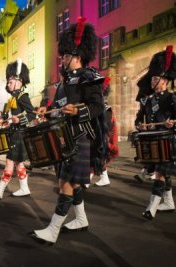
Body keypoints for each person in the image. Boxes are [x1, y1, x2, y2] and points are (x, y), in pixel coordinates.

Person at [29, 17, 104, 245]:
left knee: (66, 183)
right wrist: (47, 109)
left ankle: (53, 230)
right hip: (63, 137)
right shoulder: (63, 83)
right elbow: (59, 106)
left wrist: (77, 110)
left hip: (80, 137)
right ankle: (81, 219)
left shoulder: (89, 77)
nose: (61, 59)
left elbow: (97, 106)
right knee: (74, 183)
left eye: (65, 55)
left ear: (76, 56)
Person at [135, 45, 176, 220]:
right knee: (162, 172)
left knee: (160, 173)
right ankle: (169, 202)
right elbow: (138, 119)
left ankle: (151, 208)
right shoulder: (147, 100)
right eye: (152, 78)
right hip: (152, 141)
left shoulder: (175, 98)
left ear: (165, 81)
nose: (152, 81)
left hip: (169, 141)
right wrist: (140, 126)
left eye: (156, 78)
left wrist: (172, 123)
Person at [0, 60, 36, 199]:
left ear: (19, 81)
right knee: (18, 163)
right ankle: (24, 188)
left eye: (10, 81)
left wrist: (20, 119)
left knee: (9, 161)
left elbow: (32, 114)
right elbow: (6, 116)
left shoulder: (22, 97)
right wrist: (0, 121)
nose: (8, 83)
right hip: (13, 133)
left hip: (19, 135)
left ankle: (0, 190)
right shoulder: (11, 99)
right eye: (8, 81)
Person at [90, 77, 119, 187]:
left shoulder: (106, 109)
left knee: (97, 155)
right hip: (97, 136)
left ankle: (88, 179)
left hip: (102, 137)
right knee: (95, 156)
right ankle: (104, 177)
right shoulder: (100, 108)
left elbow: (105, 126)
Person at [133, 73, 156, 183]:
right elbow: (139, 117)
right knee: (148, 154)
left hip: (161, 132)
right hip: (150, 132)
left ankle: (149, 173)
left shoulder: (163, 98)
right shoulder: (145, 101)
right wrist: (139, 125)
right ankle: (148, 173)